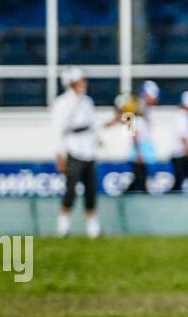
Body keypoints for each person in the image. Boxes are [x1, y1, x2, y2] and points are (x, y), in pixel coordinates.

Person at [53, 67, 100, 238]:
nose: (84, 83)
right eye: (81, 80)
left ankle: (92, 227)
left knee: (90, 190)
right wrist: (60, 154)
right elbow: (58, 129)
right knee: (71, 189)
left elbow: (92, 124)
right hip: (73, 148)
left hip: (88, 149)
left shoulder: (88, 101)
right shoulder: (62, 103)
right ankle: (63, 225)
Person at [108, 80, 159, 193]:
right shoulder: (136, 107)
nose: (155, 99)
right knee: (140, 179)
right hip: (137, 148)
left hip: (140, 147)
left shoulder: (144, 109)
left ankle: (124, 200)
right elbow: (131, 130)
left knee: (140, 179)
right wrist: (138, 150)